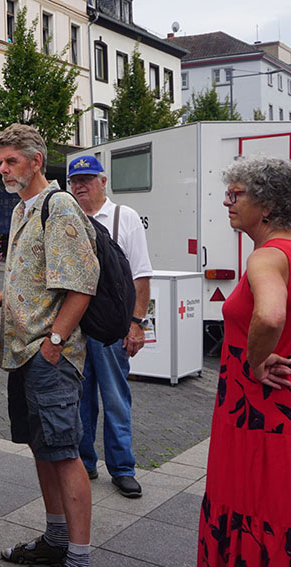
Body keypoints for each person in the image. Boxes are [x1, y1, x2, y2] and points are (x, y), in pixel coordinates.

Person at [0, 124, 98, 567]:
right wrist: (1, 297)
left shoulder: (58, 206)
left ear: (36, 161)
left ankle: (77, 557)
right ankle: (56, 541)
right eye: (0, 161)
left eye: (10, 161)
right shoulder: (24, 208)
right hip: (23, 353)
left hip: (49, 354)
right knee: (43, 450)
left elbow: (82, 286)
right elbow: (43, 279)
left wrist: (55, 342)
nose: (2, 169)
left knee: (64, 453)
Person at [198, 156, 291, 566]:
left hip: (255, 405)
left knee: (252, 503)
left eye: (236, 195)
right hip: (276, 409)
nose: (226, 203)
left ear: (267, 205)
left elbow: (270, 314)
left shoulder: (266, 256)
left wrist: (255, 362)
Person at [67, 156, 152, 498]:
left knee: (115, 397)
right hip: (75, 326)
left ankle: (122, 468)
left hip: (111, 328)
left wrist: (136, 323)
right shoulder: (68, 219)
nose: (79, 186)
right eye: (74, 181)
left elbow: (141, 274)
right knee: (80, 398)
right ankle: (85, 462)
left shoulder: (123, 217)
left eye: (86, 179)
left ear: (103, 181)